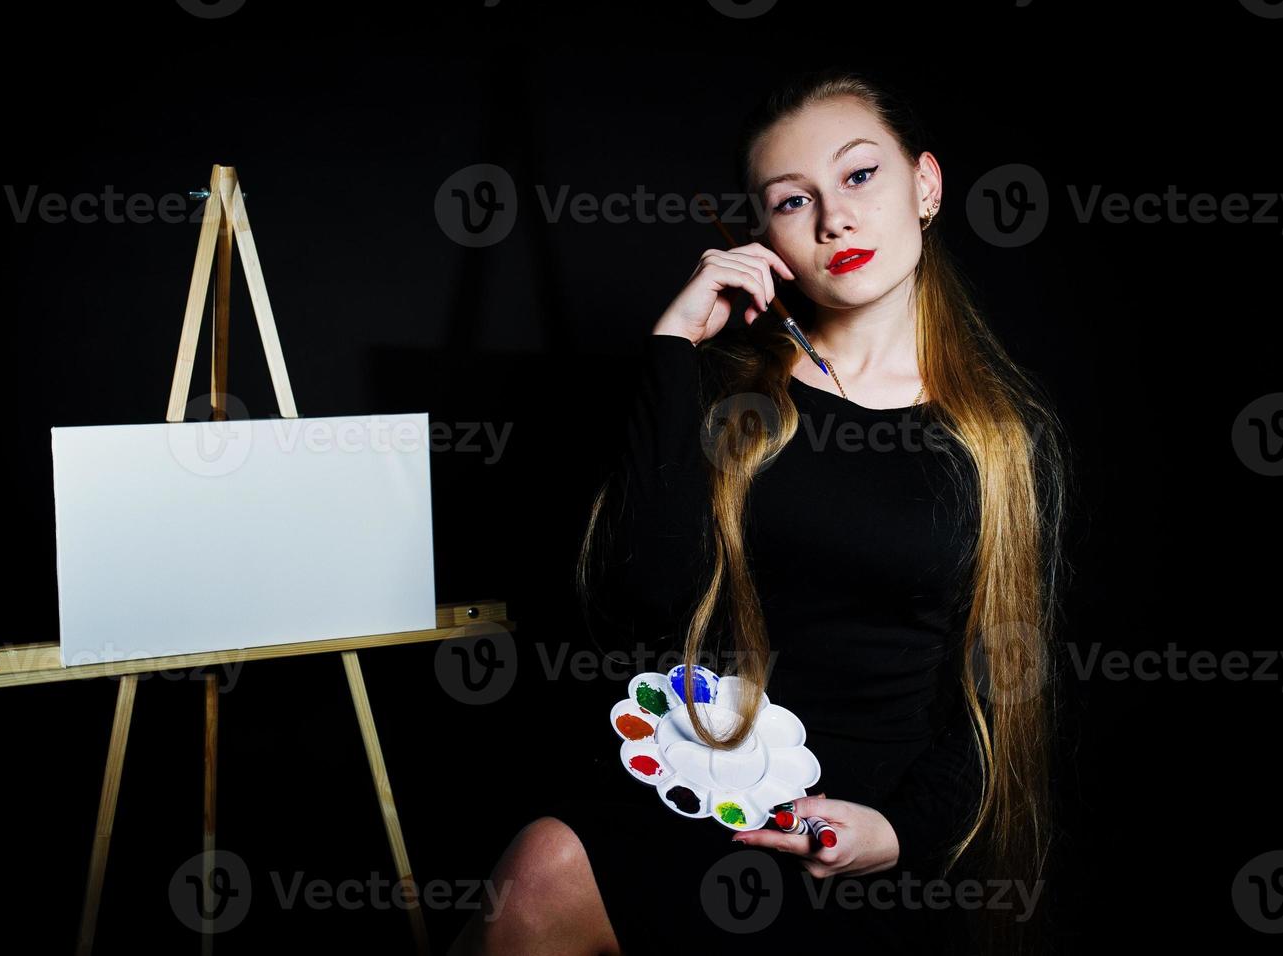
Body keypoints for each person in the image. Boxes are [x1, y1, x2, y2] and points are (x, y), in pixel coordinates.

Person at [448, 65, 1073, 956]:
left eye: (860, 176)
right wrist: (669, 351)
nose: (833, 219)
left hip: (867, 829)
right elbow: (638, 604)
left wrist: (893, 833)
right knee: (538, 871)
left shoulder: (1001, 439)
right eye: (791, 200)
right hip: (701, 798)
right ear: (760, 231)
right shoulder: (727, 399)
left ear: (924, 185)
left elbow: (995, 700)